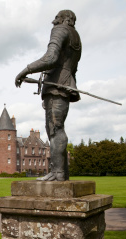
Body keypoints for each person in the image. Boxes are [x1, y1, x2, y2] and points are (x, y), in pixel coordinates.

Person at [15, 9, 81, 181]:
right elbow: (73, 68)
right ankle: (62, 173)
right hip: (66, 85)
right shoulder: (76, 37)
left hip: (56, 86)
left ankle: (57, 172)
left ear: (64, 19)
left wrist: (26, 70)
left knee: (55, 129)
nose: (54, 21)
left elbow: (50, 58)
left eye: (57, 18)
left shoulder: (60, 30)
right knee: (58, 128)